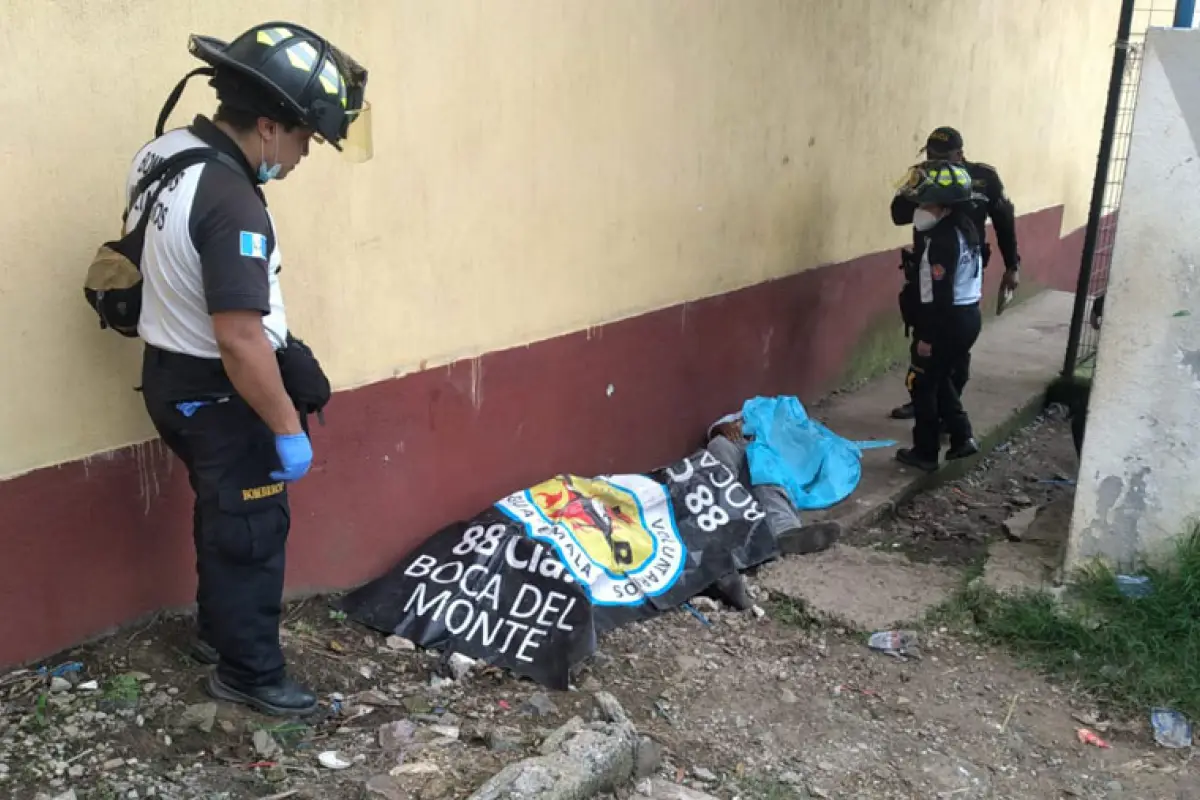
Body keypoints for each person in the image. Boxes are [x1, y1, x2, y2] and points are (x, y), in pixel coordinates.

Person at [127, 22, 368, 715]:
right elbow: (238, 339)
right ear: (268, 126)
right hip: (221, 389)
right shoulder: (234, 203)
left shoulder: (166, 153)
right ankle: (250, 673)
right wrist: (286, 426)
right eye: (304, 140)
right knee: (253, 533)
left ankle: (215, 630)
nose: (302, 157)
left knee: (222, 510)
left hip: (170, 375)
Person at [888, 126, 1021, 420]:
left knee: (956, 346)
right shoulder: (922, 175)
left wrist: (1012, 265)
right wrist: (918, 187)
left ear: (960, 154)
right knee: (923, 338)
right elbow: (898, 215)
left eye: (944, 157)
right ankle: (922, 399)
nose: (937, 163)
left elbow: (1004, 222)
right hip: (926, 270)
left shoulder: (983, 178)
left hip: (961, 275)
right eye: (932, 156)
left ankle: (949, 413)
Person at [894, 161, 984, 472]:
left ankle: (925, 452)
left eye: (926, 203)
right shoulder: (965, 226)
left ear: (944, 206)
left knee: (922, 384)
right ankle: (962, 437)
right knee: (941, 376)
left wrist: (927, 337)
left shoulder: (942, 241)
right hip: (968, 316)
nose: (920, 209)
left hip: (947, 320)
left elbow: (941, 294)